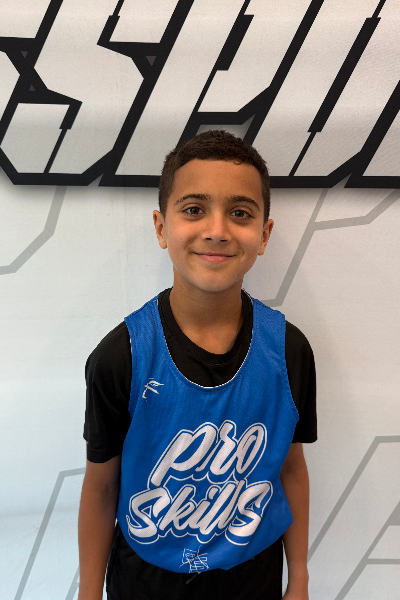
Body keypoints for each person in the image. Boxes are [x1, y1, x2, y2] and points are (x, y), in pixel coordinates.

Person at [78, 130, 317, 600]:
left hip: (253, 574)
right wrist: (88, 593)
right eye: (193, 209)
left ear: (264, 234)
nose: (217, 230)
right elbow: (102, 487)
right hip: (145, 579)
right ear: (161, 226)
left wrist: (301, 579)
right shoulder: (121, 356)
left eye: (240, 213)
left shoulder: (289, 351)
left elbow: (291, 469)